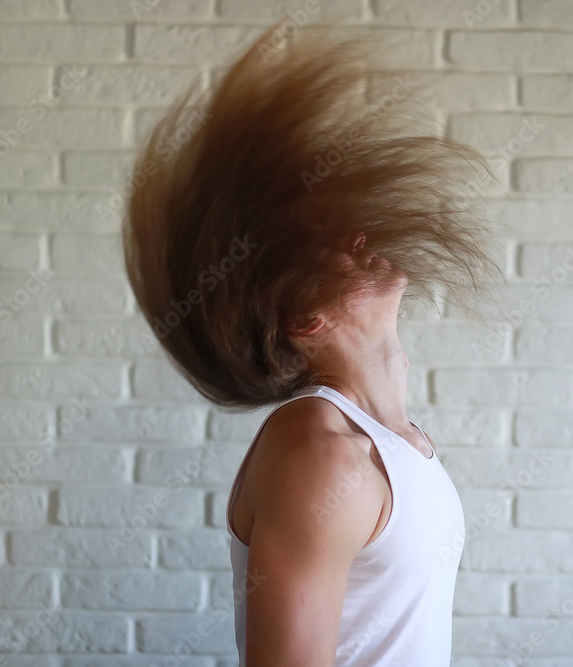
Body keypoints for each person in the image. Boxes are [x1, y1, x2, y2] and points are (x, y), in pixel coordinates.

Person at [121, 19, 504, 666]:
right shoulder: (319, 453)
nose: (359, 238)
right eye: (331, 243)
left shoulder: (392, 441)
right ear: (305, 320)